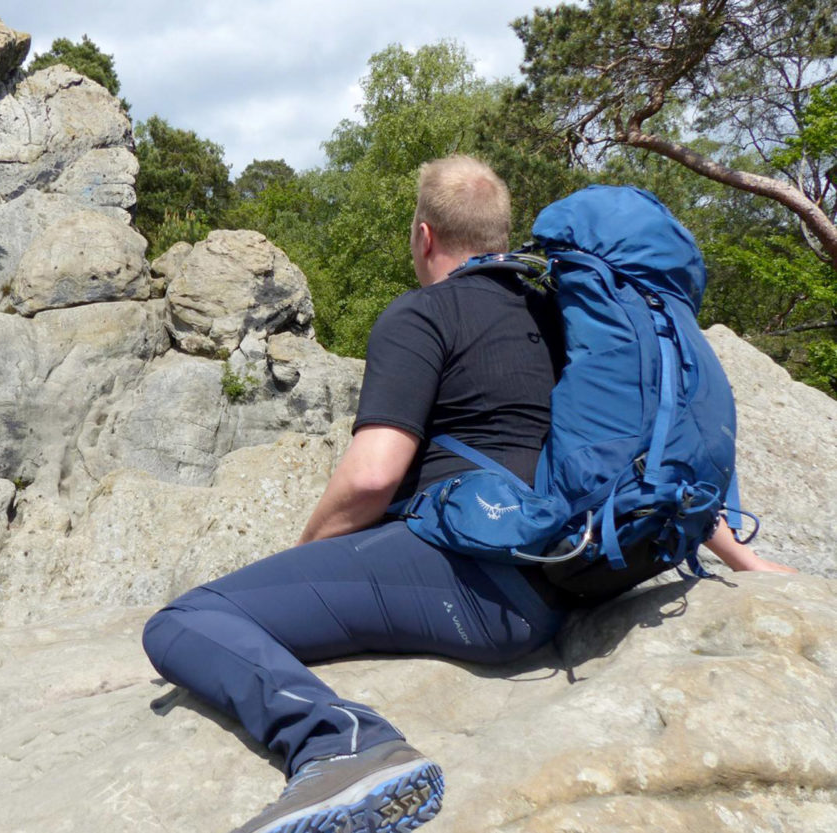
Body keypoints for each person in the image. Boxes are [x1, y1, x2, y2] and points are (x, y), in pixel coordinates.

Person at [141, 155, 791, 833]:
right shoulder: (569, 311)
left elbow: (372, 474)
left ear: (424, 236)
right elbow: (638, 450)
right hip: (572, 576)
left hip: (480, 586)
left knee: (185, 622)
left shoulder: (421, 315)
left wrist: (304, 558)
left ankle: (338, 742)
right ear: (503, 238)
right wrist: (743, 560)